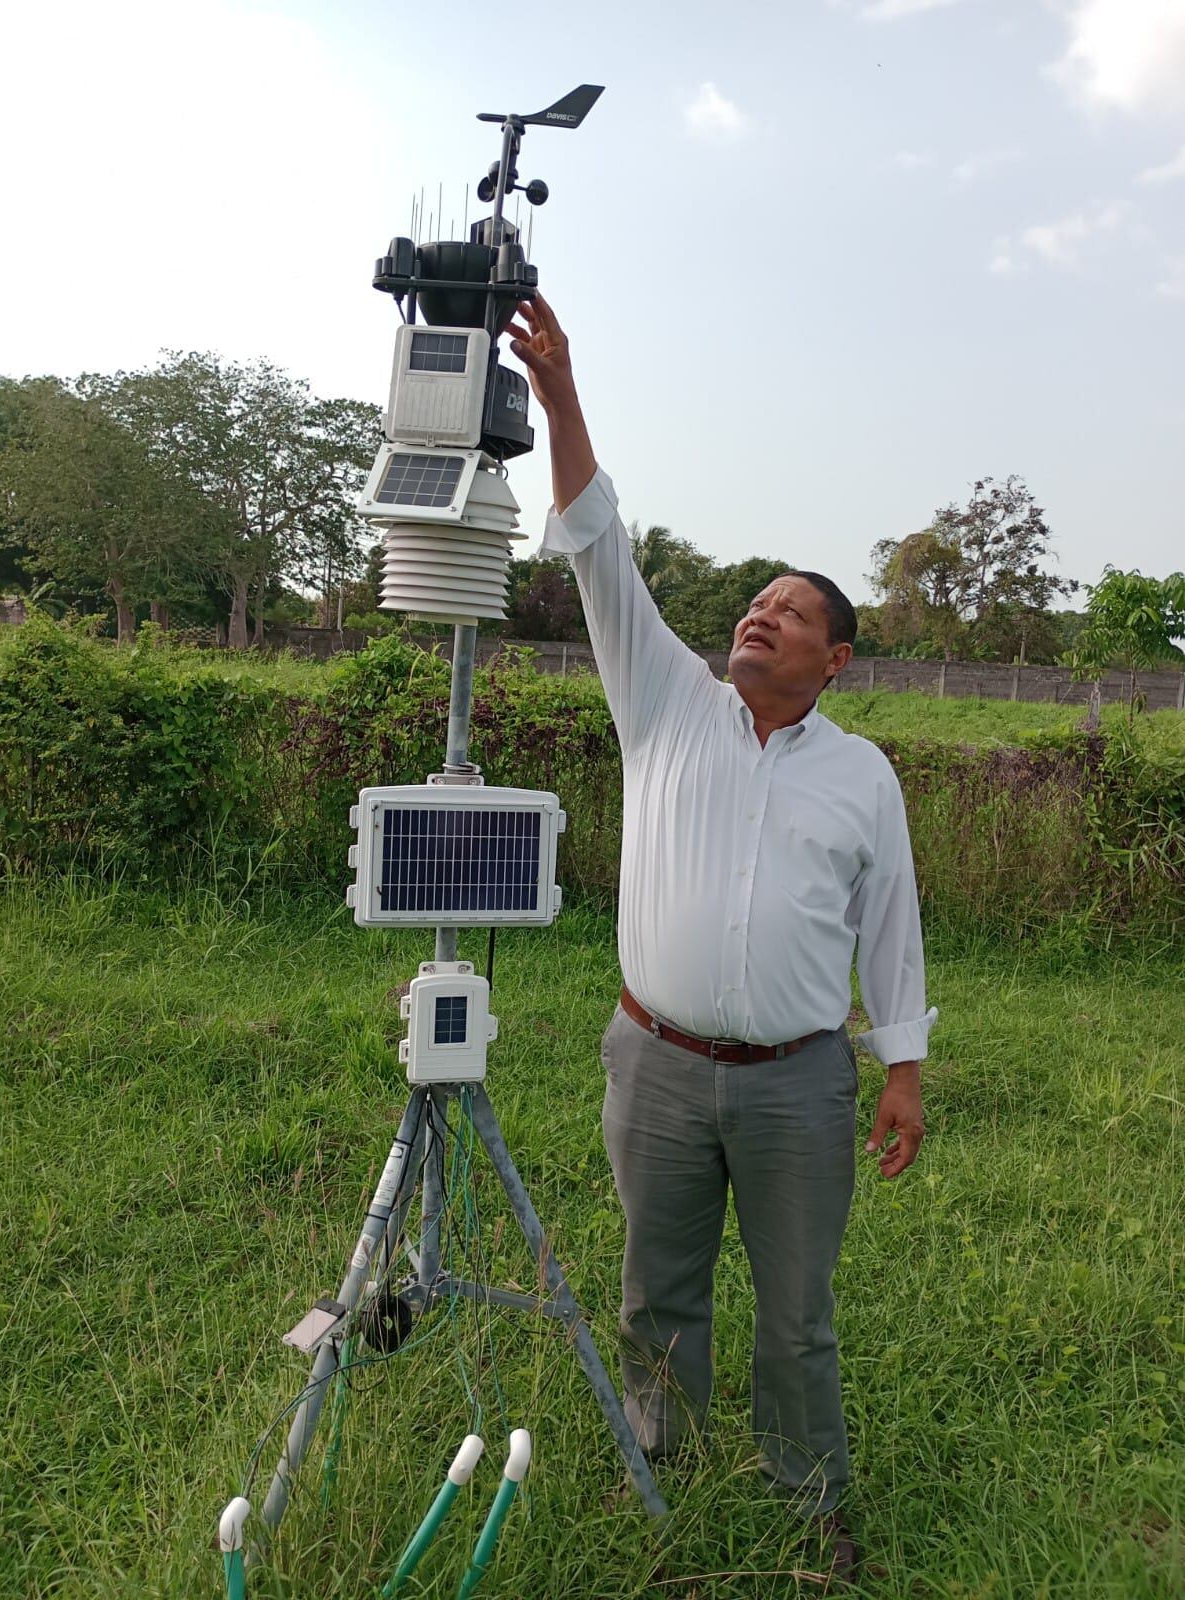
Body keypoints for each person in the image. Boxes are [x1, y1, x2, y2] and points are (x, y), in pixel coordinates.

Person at [507, 295, 936, 1584]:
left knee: (797, 1316)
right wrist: (562, 398)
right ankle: (663, 1475)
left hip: (804, 1082)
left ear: (838, 659)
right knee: (658, 1291)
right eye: (754, 604)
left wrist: (903, 1068)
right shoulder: (667, 704)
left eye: (792, 613)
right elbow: (596, 544)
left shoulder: (863, 778)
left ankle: (810, 1504)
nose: (760, 618)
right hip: (658, 1064)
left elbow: (891, 926)